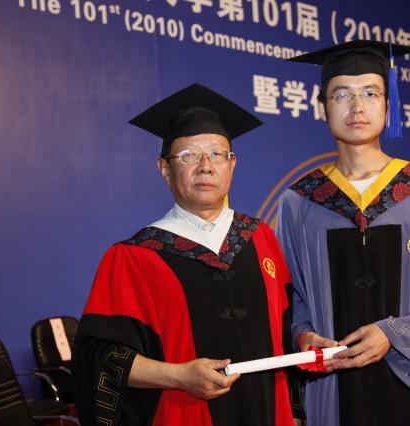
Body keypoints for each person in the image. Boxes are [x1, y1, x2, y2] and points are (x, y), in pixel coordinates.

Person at [275, 40, 410, 426]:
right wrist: (302, 336)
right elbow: (290, 297)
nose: (357, 107)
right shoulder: (299, 202)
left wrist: (393, 335)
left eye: (370, 93)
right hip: (334, 384)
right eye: (342, 95)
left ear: (388, 105)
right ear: (322, 108)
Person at [73, 83, 294, 425]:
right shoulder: (135, 257)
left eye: (217, 154)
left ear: (232, 164)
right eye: (189, 155)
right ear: (165, 169)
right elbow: (99, 358)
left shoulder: (260, 237)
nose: (205, 166)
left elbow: (288, 327)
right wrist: (178, 376)